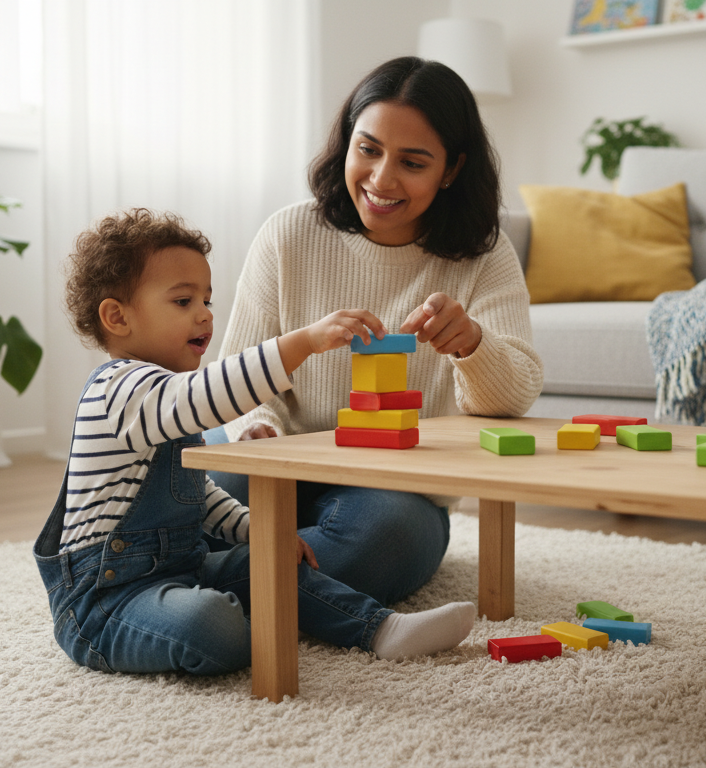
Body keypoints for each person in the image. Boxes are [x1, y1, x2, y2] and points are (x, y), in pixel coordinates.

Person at [33, 208, 476, 676]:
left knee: (273, 560)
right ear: (116, 317)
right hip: (106, 602)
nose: (205, 314)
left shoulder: (168, 395)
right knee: (211, 622)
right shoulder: (120, 390)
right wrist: (301, 343)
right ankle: (229, 618)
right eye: (183, 302)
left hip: (182, 569)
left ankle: (379, 629)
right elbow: (211, 395)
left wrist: (259, 531)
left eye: (207, 300)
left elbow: (194, 495)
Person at [207, 57, 543, 606]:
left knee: (390, 539)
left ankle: (191, 582)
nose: (381, 180)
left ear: (451, 169)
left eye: (412, 162)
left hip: (392, 488)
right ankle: (267, 586)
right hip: (279, 461)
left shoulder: (485, 256)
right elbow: (237, 373)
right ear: (346, 142)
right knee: (195, 484)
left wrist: (473, 345)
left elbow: (517, 395)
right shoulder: (288, 234)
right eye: (368, 150)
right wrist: (258, 429)